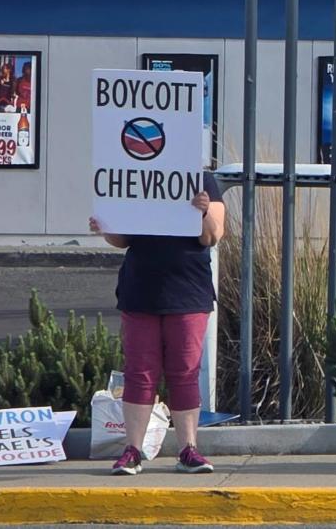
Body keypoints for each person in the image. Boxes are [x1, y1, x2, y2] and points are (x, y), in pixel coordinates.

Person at [88, 172, 227, 474]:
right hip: (140, 288)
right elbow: (122, 240)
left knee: (185, 371)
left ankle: (188, 450)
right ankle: (133, 450)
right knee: (139, 372)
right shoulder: (135, 177)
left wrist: (202, 210)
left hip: (187, 290)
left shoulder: (203, 180)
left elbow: (213, 236)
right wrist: (105, 228)